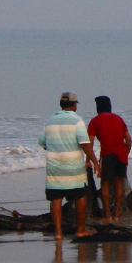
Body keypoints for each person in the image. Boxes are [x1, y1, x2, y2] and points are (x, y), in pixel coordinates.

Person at [38, 92, 100, 239]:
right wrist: (95, 162)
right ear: (74, 105)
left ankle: (58, 233)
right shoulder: (77, 121)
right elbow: (85, 144)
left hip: (54, 166)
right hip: (73, 165)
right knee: (79, 196)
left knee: (56, 198)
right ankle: (80, 229)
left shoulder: (49, 121)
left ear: (61, 104)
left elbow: (43, 144)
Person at [87, 95, 132, 223]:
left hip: (107, 154)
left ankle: (108, 214)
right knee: (119, 184)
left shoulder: (95, 121)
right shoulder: (119, 119)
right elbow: (128, 139)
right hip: (121, 154)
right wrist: (126, 153)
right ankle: (117, 214)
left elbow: (89, 143)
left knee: (105, 183)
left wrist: (88, 160)